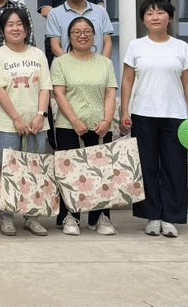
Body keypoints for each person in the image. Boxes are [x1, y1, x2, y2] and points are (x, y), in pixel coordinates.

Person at [120, 0, 188, 239]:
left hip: (175, 115)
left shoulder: (181, 47)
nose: (155, 17)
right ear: (143, 20)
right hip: (143, 113)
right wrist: (124, 111)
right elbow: (127, 79)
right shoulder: (136, 46)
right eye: (149, 13)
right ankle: (152, 216)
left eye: (160, 13)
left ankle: (171, 217)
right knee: (147, 166)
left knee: (175, 167)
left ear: (170, 18)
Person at [51, 16, 119, 236]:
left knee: (101, 172)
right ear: (69, 37)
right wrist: (75, 120)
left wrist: (107, 121)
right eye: (77, 32)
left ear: (94, 35)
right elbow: (59, 94)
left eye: (87, 31)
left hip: (100, 126)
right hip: (68, 125)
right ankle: (70, 216)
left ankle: (100, 217)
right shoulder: (60, 62)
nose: (82, 35)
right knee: (70, 172)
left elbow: (110, 94)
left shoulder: (105, 63)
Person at [0, 7, 52, 237]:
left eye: (19, 24)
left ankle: (31, 217)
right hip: (7, 125)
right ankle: (6, 217)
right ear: (3, 29)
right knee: (8, 170)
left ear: (27, 28)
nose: (15, 28)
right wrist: (16, 118)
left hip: (36, 125)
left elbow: (45, 87)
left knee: (34, 170)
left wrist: (40, 115)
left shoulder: (38, 54)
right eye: (10, 24)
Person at [46, 0, 114, 59]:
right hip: (68, 66)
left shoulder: (101, 11)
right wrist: (71, 64)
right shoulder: (54, 14)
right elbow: (55, 46)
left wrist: (102, 64)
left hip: (97, 66)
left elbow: (107, 43)